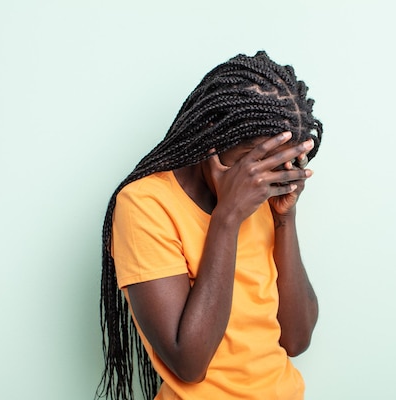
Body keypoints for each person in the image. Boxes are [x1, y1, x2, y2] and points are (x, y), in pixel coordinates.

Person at [96, 51, 323, 400]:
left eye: (282, 164)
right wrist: (227, 218)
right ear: (211, 134)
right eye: (258, 162)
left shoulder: (262, 198)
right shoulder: (145, 205)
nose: (268, 177)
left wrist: (284, 217)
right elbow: (189, 362)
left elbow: (296, 339)